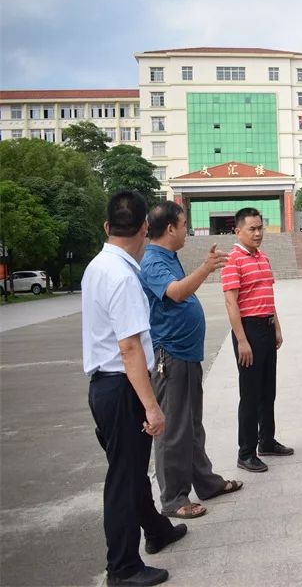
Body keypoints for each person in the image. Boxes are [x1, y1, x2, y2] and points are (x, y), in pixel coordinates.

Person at [82, 191, 186, 587]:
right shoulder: (124, 277)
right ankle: (123, 568)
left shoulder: (97, 265)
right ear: (145, 227)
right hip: (122, 386)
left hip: (105, 387)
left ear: (107, 227)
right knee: (124, 480)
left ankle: (157, 530)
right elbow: (129, 349)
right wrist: (152, 408)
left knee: (129, 470)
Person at [139, 201, 243, 520]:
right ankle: (173, 498)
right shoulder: (154, 261)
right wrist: (206, 267)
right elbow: (176, 293)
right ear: (169, 227)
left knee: (192, 425)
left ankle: (205, 481)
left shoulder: (168, 257)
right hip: (170, 357)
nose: (187, 230)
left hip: (186, 354)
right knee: (173, 429)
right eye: (184, 225)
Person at [222, 207, 293, 473]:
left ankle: (267, 441)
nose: (258, 233)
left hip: (266, 326)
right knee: (250, 394)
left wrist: (277, 327)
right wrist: (242, 340)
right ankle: (246, 452)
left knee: (267, 390)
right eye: (252, 229)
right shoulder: (233, 260)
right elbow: (231, 302)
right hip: (248, 330)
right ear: (238, 231)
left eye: (260, 227)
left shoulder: (262, 257)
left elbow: (268, 294)